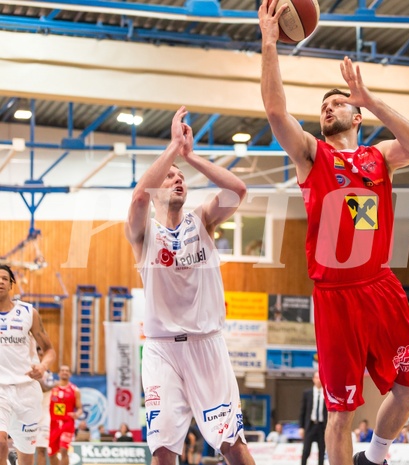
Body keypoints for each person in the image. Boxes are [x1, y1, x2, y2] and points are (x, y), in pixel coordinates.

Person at [259, 3, 409, 465]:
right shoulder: (313, 156)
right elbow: (276, 112)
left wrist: (370, 99)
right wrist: (270, 42)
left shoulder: (378, 157)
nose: (327, 109)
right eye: (323, 107)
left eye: (336, 104)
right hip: (336, 296)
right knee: (341, 414)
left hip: (381, 285)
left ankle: (373, 459)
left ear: (355, 117)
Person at [125, 107, 253, 465]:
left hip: (206, 345)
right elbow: (137, 199)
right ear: (157, 188)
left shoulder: (202, 221)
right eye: (169, 178)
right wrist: (171, 148)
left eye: (182, 178)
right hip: (162, 350)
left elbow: (238, 190)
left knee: (232, 445)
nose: (178, 180)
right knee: (163, 449)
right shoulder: (144, 232)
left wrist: (190, 156)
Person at [0, 264, 56, 465]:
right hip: (0, 390)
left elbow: (49, 350)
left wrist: (42, 367)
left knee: (26, 456)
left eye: (5, 278)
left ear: (11, 284)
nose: (0, 281)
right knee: (0, 442)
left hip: (27, 391)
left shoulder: (28, 313)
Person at [49, 365, 83, 465]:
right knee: (52, 453)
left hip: (67, 424)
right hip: (52, 424)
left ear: (70, 374)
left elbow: (80, 408)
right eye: (62, 370)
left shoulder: (75, 390)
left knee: (64, 450)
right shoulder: (52, 388)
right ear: (58, 373)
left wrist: (77, 414)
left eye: (67, 371)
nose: (65, 372)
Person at [299, 372, 326, 465]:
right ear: (313, 379)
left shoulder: (327, 393)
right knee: (306, 450)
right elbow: (303, 410)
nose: (318, 380)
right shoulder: (307, 393)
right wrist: (301, 427)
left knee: (322, 450)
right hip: (310, 425)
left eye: (320, 378)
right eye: (316, 378)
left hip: (322, 426)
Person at [34, 345, 55, 465]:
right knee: (25, 449)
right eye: (38, 354)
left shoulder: (48, 374)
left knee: (41, 449)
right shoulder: (25, 370)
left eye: (42, 355)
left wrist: (36, 375)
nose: (40, 357)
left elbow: (45, 387)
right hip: (28, 414)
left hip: (43, 416)